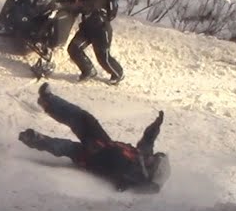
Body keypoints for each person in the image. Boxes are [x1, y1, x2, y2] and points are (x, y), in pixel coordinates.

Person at [18, 83, 169, 193]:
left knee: (68, 148)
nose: (152, 158)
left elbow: (120, 177)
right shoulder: (142, 157)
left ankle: (34, 139)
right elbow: (148, 140)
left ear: (151, 171)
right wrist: (156, 125)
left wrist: (97, 154)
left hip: (95, 158)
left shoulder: (134, 175)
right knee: (85, 118)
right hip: (103, 142)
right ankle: (49, 100)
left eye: (154, 161)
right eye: (155, 157)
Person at [61, 0, 125, 84]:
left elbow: (87, 5)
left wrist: (70, 6)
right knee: (74, 48)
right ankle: (88, 70)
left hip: (100, 28)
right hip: (87, 27)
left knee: (103, 57)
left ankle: (118, 73)